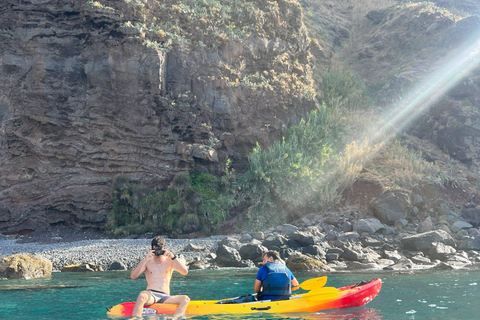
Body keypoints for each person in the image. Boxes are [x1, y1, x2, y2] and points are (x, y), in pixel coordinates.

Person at [131, 236, 190, 318]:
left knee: (185, 299)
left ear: (165, 248)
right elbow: (133, 276)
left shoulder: (170, 261)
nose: (158, 254)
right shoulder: (148, 261)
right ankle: (135, 318)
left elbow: (185, 272)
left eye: (160, 250)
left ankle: (175, 318)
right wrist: (145, 259)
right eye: (156, 250)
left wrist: (173, 257)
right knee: (142, 296)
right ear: (152, 249)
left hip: (165, 296)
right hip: (151, 294)